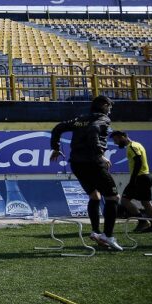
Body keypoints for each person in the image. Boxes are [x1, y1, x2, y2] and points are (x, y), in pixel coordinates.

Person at [50, 95, 123, 251]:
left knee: (95, 196)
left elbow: (58, 128)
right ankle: (107, 235)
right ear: (104, 105)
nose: (110, 110)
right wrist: (99, 154)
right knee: (113, 197)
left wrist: (55, 148)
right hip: (93, 162)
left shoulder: (81, 119)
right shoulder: (102, 119)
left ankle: (96, 231)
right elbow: (93, 130)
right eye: (109, 106)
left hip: (77, 164)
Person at [110, 131, 152, 233]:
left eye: (116, 140)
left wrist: (132, 180)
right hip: (146, 177)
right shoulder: (137, 144)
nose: (115, 143)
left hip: (140, 178)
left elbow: (138, 161)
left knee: (124, 200)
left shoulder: (132, 146)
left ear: (122, 137)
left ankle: (143, 222)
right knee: (146, 202)